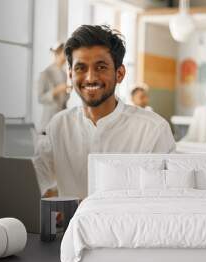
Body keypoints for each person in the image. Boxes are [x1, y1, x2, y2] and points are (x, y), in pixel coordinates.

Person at [32, 25, 175, 199]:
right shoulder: (58, 125)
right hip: (71, 226)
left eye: (101, 67)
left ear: (120, 73)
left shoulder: (153, 130)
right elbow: (33, 181)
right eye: (81, 68)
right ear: (70, 74)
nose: (90, 77)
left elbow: (161, 202)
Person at [38, 42, 70, 133]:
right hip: (48, 121)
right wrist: (56, 90)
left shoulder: (64, 73)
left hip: (61, 123)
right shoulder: (46, 73)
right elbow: (40, 98)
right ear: (59, 53)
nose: (67, 56)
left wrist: (67, 93)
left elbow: (63, 100)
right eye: (65, 53)